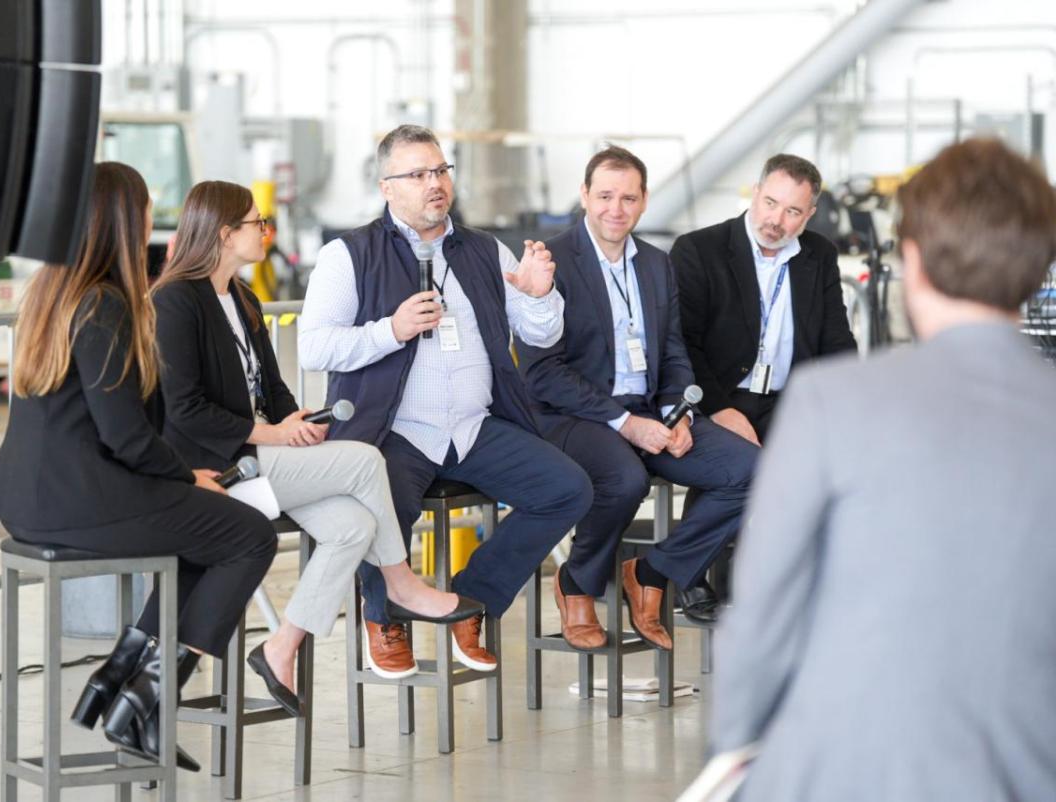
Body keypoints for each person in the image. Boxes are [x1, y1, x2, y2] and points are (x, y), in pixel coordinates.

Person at [710, 138, 1056, 800]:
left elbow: (761, 621)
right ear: (1038, 269)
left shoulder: (828, 405)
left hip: (843, 773)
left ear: (914, 261)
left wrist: (732, 757)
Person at [0, 163, 278, 770]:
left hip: (34, 499)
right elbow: (126, 435)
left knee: (206, 536)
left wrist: (179, 480)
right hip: (81, 500)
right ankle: (146, 695)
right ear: (122, 219)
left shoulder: (54, 293)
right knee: (248, 535)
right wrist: (184, 475)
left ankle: (116, 679)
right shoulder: (106, 304)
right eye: (144, 208)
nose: (151, 218)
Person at [150, 180, 482, 706]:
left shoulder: (243, 296)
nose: (267, 231)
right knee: (365, 460)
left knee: (354, 526)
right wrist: (272, 433)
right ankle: (399, 583)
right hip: (215, 469)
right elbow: (185, 410)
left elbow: (273, 388)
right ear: (222, 233)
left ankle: (282, 645)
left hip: (261, 459)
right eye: (257, 223)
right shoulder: (174, 302)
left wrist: (296, 423)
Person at [298, 124, 593, 678]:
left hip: (475, 426)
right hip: (395, 428)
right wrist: (391, 329)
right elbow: (314, 346)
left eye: (440, 170)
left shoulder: (483, 249)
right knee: (382, 502)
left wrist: (539, 295)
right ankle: (384, 615)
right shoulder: (349, 254)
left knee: (568, 489)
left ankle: (472, 603)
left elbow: (543, 337)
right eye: (418, 174)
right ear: (387, 187)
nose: (434, 183)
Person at [516, 146, 757, 648]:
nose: (615, 209)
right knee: (623, 480)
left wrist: (679, 414)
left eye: (628, 198)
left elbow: (672, 351)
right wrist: (625, 423)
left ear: (644, 201)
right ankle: (576, 582)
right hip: (574, 415)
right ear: (584, 195)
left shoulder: (655, 263)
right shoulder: (550, 262)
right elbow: (543, 374)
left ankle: (652, 572)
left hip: (651, 409)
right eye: (604, 195)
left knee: (752, 471)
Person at [671, 154, 857, 445]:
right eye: (770, 203)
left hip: (791, 404)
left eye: (793, 211)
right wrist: (719, 409)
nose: (776, 220)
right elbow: (683, 344)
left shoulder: (820, 254)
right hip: (719, 398)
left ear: (810, 214)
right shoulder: (700, 249)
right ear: (755, 193)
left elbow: (837, 343)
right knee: (745, 470)